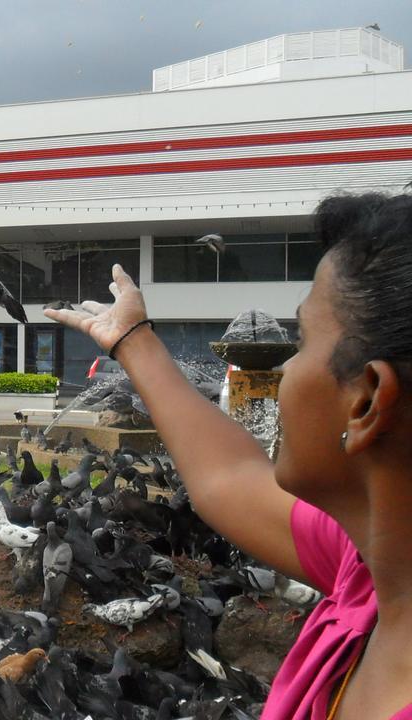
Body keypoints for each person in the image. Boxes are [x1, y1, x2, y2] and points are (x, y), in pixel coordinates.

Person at [44, 192, 412, 719]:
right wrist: (132, 339)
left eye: (301, 342)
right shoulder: (373, 569)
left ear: (368, 398)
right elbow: (230, 477)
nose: (281, 374)